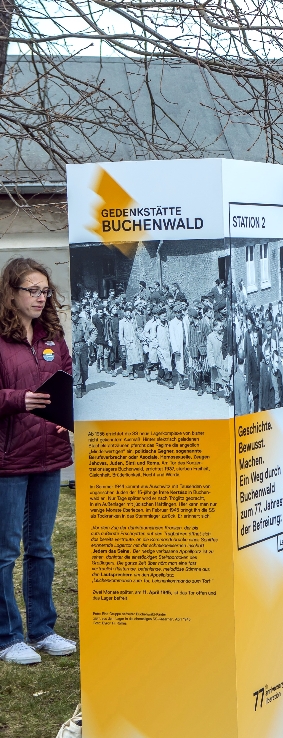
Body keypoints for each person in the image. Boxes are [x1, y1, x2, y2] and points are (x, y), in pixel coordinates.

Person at [0, 258, 78, 666]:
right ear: (11, 292)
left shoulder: (52, 336)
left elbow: (66, 379)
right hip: (9, 459)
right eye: (32, 290)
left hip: (49, 453)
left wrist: (66, 417)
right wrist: (17, 399)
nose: (40, 297)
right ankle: (8, 635)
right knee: (5, 551)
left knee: (41, 548)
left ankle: (42, 630)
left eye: (44, 290)